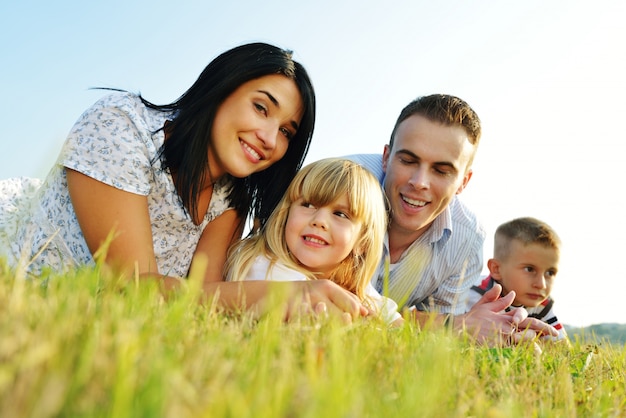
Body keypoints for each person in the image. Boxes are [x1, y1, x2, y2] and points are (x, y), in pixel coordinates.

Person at [0, 42, 368, 321]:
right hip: (25, 300)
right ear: (221, 90)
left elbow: (200, 301)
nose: (270, 139)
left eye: (287, 130)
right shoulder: (120, 127)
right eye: (261, 108)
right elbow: (135, 289)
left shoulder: (230, 197)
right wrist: (277, 296)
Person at [347, 94, 558, 343]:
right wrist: (456, 325)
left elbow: (429, 333)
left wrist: (470, 328)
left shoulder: (466, 238)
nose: (419, 182)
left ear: (463, 182)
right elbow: (323, 297)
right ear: (386, 157)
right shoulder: (342, 187)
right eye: (408, 160)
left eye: (441, 170)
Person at [225, 158, 403, 326]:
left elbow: (395, 322)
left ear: (362, 242)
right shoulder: (264, 265)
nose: (319, 221)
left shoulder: (360, 291)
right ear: (286, 214)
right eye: (308, 205)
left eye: (340, 214)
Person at [465, 217, 567, 341]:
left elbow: (561, 346)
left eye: (550, 273)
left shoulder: (542, 304)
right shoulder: (474, 296)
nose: (541, 284)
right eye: (529, 269)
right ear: (496, 269)